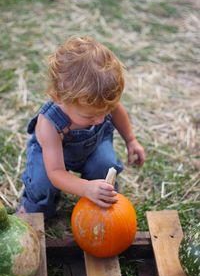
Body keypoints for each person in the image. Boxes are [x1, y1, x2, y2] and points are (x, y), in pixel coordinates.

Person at [18, 36, 145, 219]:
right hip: (50, 158)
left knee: (105, 165)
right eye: (90, 116)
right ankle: (34, 212)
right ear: (60, 98)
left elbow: (117, 111)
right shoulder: (49, 123)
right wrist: (85, 188)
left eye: (105, 111)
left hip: (93, 148)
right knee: (41, 183)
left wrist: (131, 140)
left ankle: (103, 202)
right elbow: (56, 172)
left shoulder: (100, 101)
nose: (101, 120)